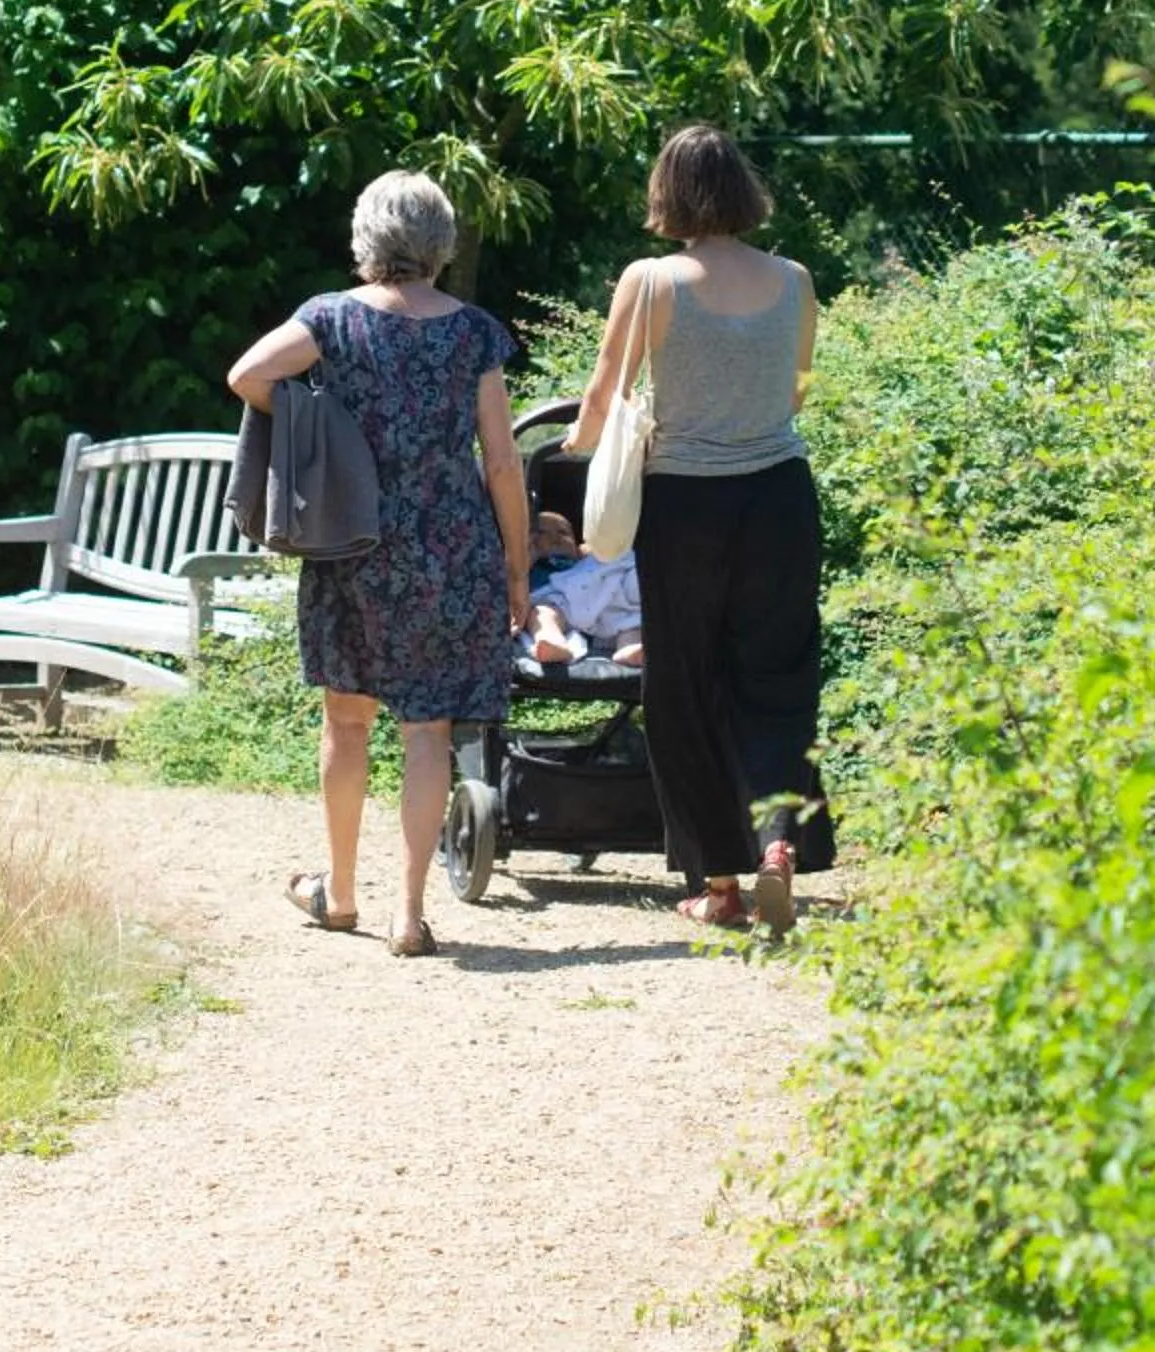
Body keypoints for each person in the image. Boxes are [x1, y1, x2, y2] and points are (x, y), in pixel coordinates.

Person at [228, 169, 530, 959]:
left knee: (347, 720)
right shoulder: (474, 334)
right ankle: (408, 912)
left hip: (349, 541)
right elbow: (502, 462)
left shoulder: (327, 320)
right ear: (440, 240)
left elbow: (247, 376)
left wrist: (317, 421)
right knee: (428, 730)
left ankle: (340, 893)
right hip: (452, 549)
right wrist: (518, 568)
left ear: (368, 236)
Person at [568, 124, 833, 934]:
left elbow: (601, 401)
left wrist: (581, 460)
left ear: (668, 192)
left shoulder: (650, 281)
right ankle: (778, 842)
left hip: (685, 504)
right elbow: (794, 397)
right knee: (778, 677)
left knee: (685, 688)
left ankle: (719, 885)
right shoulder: (794, 279)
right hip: (780, 498)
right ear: (744, 189)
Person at [521, 508, 643, 668]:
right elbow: (517, 576)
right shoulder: (534, 563)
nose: (555, 538)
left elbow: (602, 570)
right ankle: (551, 640)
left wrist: (594, 553)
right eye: (543, 533)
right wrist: (527, 556)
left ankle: (629, 646)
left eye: (563, 533)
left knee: (629, 619)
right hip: (557, 603)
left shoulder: (581, 562)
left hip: (599, 603)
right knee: (542, 614)